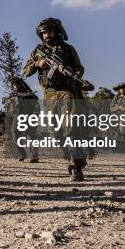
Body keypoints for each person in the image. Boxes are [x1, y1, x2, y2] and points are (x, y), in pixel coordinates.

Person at [23, 18, 91, 181]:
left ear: (57, 32)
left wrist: (68, 70)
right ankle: (70, 154)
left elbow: (79, 69)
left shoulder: (68, 49)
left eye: (50, 32)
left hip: (68, 92)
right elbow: (25, 71)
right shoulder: (36, 52)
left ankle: (77, 166)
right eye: (44, 33)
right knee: (54, 132)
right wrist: (39, 64)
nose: (47, 35)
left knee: (71, 127)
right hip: (49, 94)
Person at [5, 77, 40, 163]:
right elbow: (7, 107)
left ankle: (34, 156)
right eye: (13, 85)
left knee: (32, 136)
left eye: (16, 84)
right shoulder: (12, 96)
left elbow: (36, 105)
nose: (15, 86)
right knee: (14, 134)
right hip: (17, 117)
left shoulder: (30, 95)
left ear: (21, 84)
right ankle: (21, 154)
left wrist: (35, 115)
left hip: (29, 117)